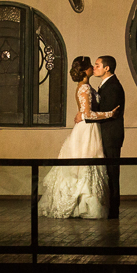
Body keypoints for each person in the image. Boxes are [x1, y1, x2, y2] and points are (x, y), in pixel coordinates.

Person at [38, 56, 119, 219]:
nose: (92, 68)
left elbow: (85, 112)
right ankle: (82, 204)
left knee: (87, 164)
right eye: (90, 66)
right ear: (84, 71)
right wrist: (110, 114)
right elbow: (88, 114)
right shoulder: (84, 88)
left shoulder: (86, 86)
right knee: (84, 163)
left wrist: (83, 114)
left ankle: (83, 203)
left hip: (89, 128)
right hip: (86, 129)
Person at [82, 56, 125, 219]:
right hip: (105, 132)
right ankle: (109, 205)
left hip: (111, 133)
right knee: (107, 170)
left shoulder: (113, 86)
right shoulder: (105, 85)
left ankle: (114, 208)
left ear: (107, 68)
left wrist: (86, 115)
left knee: (112, 170)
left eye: (98, 65)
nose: (94, 67)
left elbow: (110, 113)